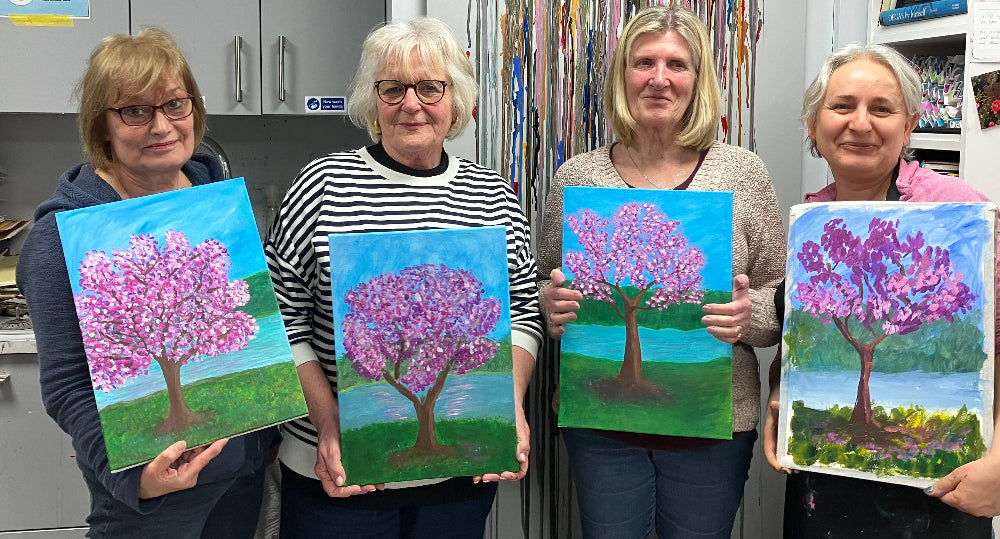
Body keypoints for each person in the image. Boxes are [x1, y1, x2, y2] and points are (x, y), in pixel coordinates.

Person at [263, 17, 543, 539]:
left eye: (430, 87)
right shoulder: (321, 186)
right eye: (393, 88)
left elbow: (524, 313)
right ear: (374, 101)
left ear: (454, 100)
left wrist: (511, 403)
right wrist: (328, 423)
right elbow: (280, 318)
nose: (411, 103)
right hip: (338, 474)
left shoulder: (494, 197)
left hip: (460, 472)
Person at [15, 28, 278, 539]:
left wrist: (264, 433)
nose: (161, 125)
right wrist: (138, 480)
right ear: (102, 125)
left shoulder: (215, 203)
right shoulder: (63, 234)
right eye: (135, 110)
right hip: (152, 496)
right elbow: (67, 387)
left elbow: (251, 328)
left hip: (239, 475)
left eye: (175, 104)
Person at [537, 5, 785, 538]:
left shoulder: (741, 173)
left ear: (699, 80)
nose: (659, 78)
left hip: (714, 425)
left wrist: (747, 316)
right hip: (600, 424)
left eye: (677, 64)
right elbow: (545, 283)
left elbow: (781, 299)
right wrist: (550, 305)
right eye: (643, 62)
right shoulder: (578, 178)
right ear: (622, 75)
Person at [762, 43, 999, 537]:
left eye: (882, 109)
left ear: (909, 125)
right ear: (813, 124)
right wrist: (784, 391)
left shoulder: (960, 214)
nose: (861, 123)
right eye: (842, 106)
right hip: (823, 489)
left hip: (936, 500)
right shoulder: (813, 218)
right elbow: (801, 335)